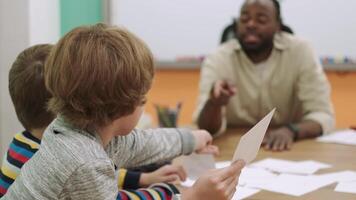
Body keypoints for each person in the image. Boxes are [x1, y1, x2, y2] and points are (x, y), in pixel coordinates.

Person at [4, 23, 245, 200]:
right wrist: (192, 196)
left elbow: (140, 143)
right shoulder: (84, 162)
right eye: (143, 98)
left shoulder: (75, 127)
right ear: (126, 105)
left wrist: (191, 139)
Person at [0, 44, 188, 198]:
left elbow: (105, 173)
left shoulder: (22, 142)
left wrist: (142, 178)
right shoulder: (52, 157)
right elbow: (96, 183)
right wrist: (173, 194)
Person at [195, 0, 334, 151]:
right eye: (244, 19)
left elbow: (322, 115)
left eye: (261, 19)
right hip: (231, 149)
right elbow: (206, 128)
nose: (251, 25)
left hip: (289, 149)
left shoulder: (300, 51)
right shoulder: (219, 58)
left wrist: (291, 130)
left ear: (278, 26)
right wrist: (214, 103)